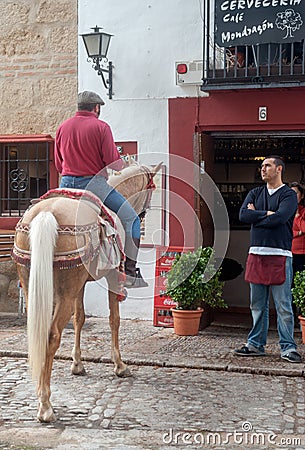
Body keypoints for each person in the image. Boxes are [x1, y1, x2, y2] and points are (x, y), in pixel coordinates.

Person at [54, 90, 148, 288]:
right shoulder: (101, 127)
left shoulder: (62, 127)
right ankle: (130, 273)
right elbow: (114, 164)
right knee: (132, 220)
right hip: (93, 185)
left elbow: (57, 163)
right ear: (96, 108)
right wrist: (120, 164)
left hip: (65, 184)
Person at [234, 156, 302, 363]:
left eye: (267, 166)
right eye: (262, 166)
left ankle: (288, 348)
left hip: (280, 255)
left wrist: (258, 217)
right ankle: (255, 344)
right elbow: (243, 216)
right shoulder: (255, 192)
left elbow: (281, 218)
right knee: (257, 304)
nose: (262, 169)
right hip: (256, 253)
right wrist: (267, 214)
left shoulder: (288, 195)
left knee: (283, 305)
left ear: (279, 169)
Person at [291, 182, 305, 276]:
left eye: (295, 193)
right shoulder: (285, 211)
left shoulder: (303, 211)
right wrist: (298, 233)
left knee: (300, 283)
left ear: (302, 195)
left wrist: (297, 216)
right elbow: (284, 233)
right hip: (288, 252)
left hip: (302, 253)